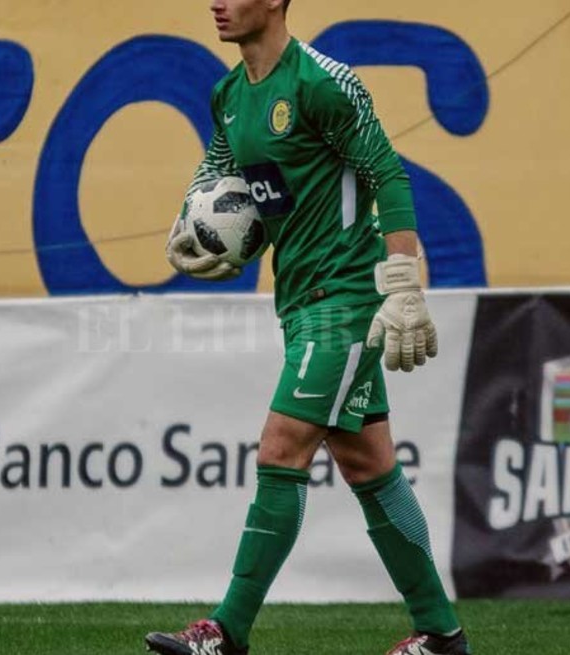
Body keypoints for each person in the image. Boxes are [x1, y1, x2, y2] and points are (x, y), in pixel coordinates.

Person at [148, 1, 470, 654]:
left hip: (346, 296)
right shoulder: (229, 95)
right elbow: (220, 175)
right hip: (298, 301)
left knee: (280, 445)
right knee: (367, 462)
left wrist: (402, 284)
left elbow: (388, 172)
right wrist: (196, 225)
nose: (217, 1)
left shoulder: (323, 83)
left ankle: (226, 630)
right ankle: (441, 634)